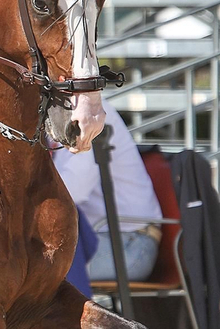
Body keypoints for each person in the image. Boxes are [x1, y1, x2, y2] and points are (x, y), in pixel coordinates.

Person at [52, 105, 163, 282]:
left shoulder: (87, 112)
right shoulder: (55, 113)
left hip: (129, 245)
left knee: (26, 267)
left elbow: (72, 191)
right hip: (99, 238)